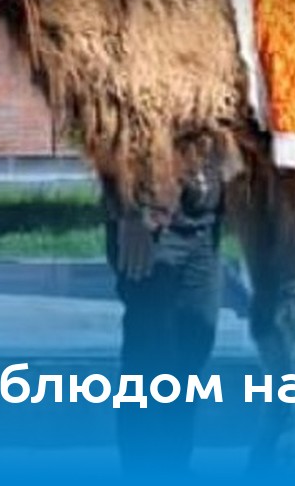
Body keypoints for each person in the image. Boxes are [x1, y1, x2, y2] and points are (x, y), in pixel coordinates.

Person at [103, 152, 227, 475]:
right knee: (149, 361)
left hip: (205, 228)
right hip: (150, 228)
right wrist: (129, 211)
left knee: (193, 353)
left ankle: (175, 467)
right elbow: (108, 139)